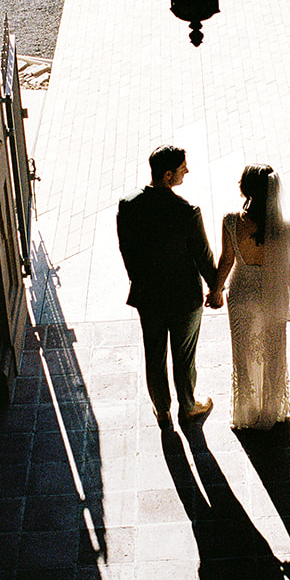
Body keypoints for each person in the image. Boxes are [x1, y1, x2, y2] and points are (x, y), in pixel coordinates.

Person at [117, 144, 218, 428]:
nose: (188, 171)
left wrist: (139, 280)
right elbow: (203, 256)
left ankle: (162, 409)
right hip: (185, 299)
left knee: (154, 354)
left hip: (148, 297)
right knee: (184, 357)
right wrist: (216, 288)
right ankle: (188, 407)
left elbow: (127, 250)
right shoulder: (187, 212)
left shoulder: (128, 204)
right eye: (183, 168)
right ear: (168, 175)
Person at [207, 164, 290, 430]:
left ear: (245, 188)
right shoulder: (285, 226)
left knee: (243, 352)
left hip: (242, 291)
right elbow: (287, 264)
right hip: (272, 291)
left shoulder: (231, 221)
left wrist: (216, 290)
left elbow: (226, 260)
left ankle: (246, 411)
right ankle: (273, 409)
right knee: (274, 351)